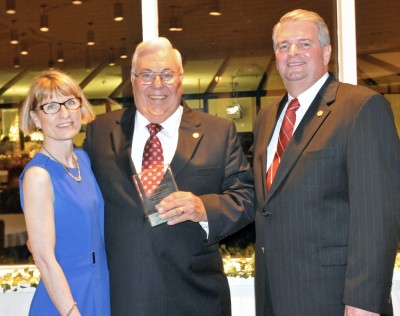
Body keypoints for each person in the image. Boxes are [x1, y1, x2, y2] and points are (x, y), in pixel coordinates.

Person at [83, 37, 254, 316]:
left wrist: (204, 208)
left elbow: (246, 197)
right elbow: (79, 193)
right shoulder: (99, 132)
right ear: (133, 79)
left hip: (196, 296)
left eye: (167, 74)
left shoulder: (218, 132)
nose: (157, 85)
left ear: (181, 78)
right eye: (147, 75)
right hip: (123, 295)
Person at [252, 9, 400, 316]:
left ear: (327, 52)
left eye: (304, 43)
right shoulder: (267, 118)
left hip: (335, 299)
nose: (292, 53)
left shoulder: (361, 108)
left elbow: (377, 216)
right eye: (283, 46)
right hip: (274, 296)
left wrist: (364, 302)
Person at [19, 69, 110, 316]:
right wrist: (71, 312)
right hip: (66, 299)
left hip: (101, 287)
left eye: (70, 102)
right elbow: (45, 260)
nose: (64, 113)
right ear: (36, 119)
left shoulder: (84, 159)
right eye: (50, 106)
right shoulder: (38, 176)